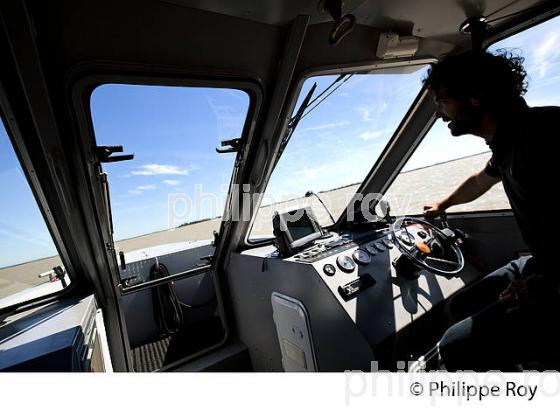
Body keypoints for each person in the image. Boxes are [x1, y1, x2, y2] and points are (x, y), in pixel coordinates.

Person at [422, 50, 560, 371]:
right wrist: (443, 205)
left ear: (475, 98)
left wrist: (539, 288)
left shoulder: (542, 139)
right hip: (543, 266)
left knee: (455, 348)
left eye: (442, 102)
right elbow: (480, 181)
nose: (440, 115)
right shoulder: (508, 141)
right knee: (463, 305)